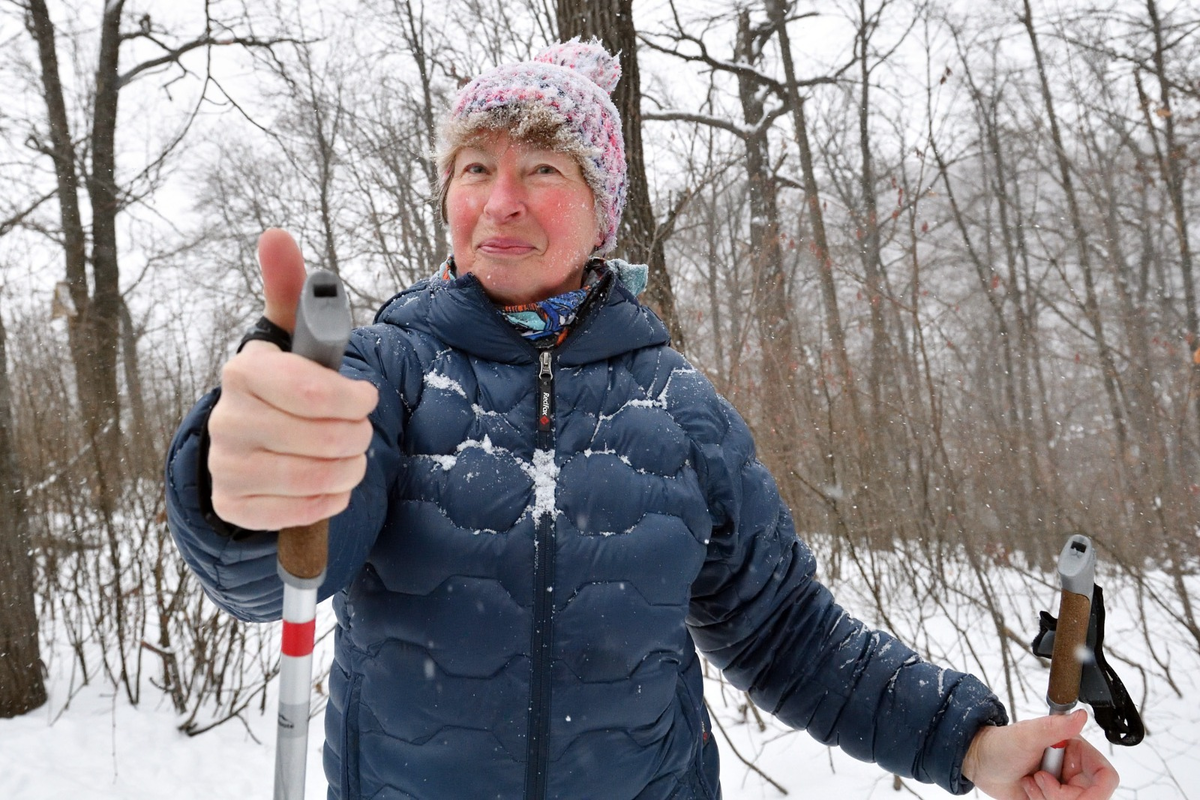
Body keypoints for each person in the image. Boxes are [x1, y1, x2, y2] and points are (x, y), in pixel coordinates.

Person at [165, 40, 1119, 800]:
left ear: (600, 210)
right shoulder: (384, 377)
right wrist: (241, 477)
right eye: (474, 166)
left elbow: (788, 635)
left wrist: (974, 743)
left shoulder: (680, 409)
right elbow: (274, 574)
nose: (500, 200)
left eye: (542, 166)